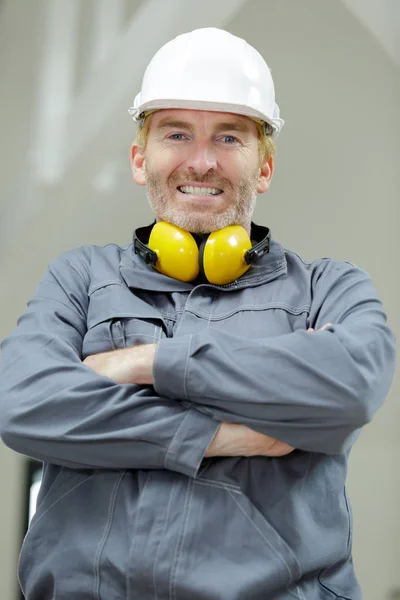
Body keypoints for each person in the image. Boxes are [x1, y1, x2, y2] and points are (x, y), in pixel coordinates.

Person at [0, 27, 396, 600]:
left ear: (263, 167)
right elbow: (21, 400)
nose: (202, 161)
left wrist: (145, 363)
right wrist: (216, 435)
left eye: (230, 138)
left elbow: (349, 387)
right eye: (177, 133)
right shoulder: (81, 279)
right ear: (141, 159)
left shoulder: (328, 287)